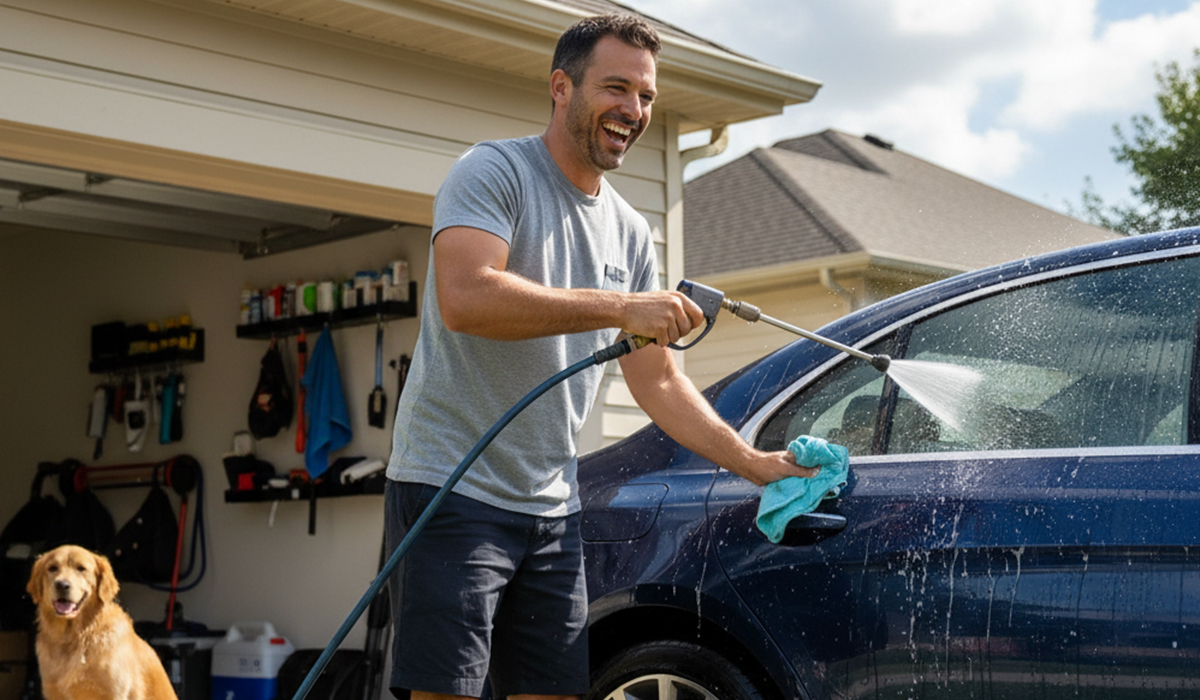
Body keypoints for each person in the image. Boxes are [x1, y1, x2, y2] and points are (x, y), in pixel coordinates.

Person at [383, 13, 816, 700]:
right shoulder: (493, 172)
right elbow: (467, 298)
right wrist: (621, 308)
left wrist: (756, 465)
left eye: (645, 96)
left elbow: (659, 380)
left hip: (553, 506)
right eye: (616, 88)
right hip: (450, 489)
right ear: (562, 86)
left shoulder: (629, 232)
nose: (634, 110)